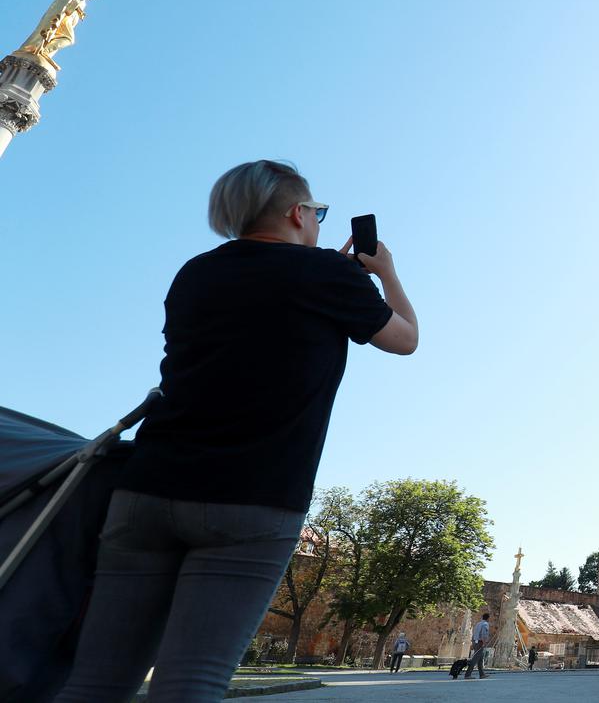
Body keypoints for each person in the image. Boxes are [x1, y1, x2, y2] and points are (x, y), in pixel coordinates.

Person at [52, 160, 419, 703]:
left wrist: (335, 278)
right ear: (296, 213)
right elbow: (405, 338)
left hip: (147, 488)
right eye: (316, 211)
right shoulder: (327, 274)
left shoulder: (196, 272)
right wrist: (384, 272)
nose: (317, 222)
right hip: (253, 496)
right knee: (191, 681)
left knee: (95, 682)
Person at [464, 613, 491, 679]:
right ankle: (468, 674)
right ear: (488, 618)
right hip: (480, 642)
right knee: (475, 659)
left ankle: (482, 674)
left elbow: (474, 633)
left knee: (480, 659)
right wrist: (484, 643)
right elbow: (484, 634)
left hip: (475, 642)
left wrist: (473, 643)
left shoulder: (478, 624)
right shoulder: (485, 624)